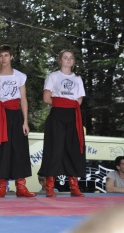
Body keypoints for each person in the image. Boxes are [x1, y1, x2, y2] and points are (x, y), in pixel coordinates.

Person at [0, 45, 36, 198]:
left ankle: (21, 186)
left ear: (11, 57)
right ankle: (1, 186)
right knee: (1, 149)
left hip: (16, 114)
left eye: (6, 55)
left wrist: (25, 121)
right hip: (0, 113)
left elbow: (24, 99)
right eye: (1, 56)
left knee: (19, 149)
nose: (3, 59)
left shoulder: (20, 76)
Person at [37, 49, 86, 197]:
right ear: (60, 60)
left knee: (73, 149)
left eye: (71, 58)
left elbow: (79, 100)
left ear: (74, 61)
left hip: (73, 116)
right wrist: (61, 103)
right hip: (57, 115)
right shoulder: (53, 76)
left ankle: (74, 186)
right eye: (65, 57)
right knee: (54, 149)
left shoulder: (78, 78)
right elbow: (46, 98)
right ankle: (50, 186)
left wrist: (68, 105)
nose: (68, 60)